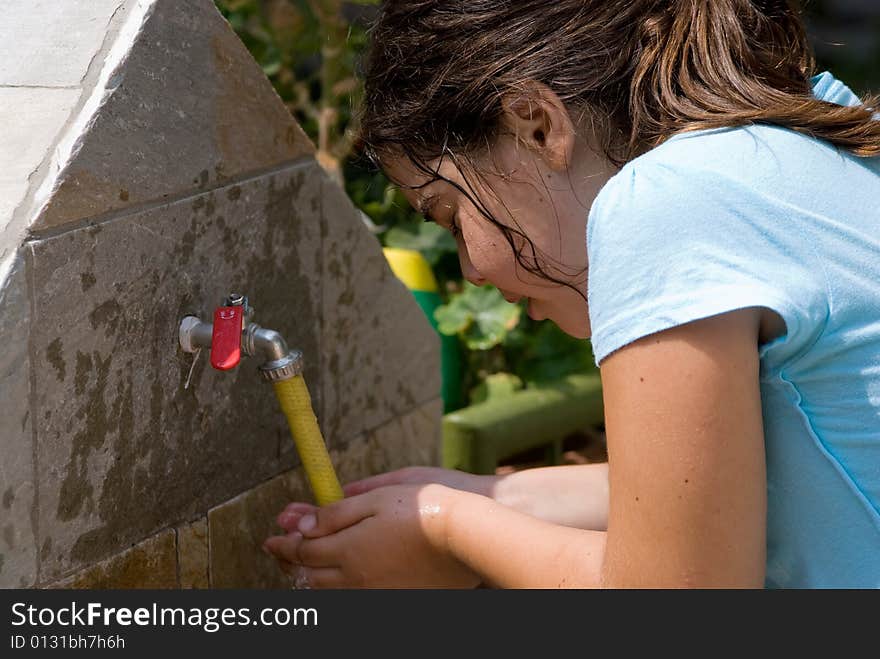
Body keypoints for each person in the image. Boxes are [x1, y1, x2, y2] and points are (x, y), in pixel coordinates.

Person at [263, 0, 880, 588]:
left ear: (538, 126)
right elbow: (744, 489)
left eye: (451, 216)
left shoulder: (669, 204)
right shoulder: (808, 143)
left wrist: (445, 533)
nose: (472, 271)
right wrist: (498, 497)